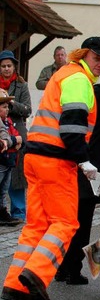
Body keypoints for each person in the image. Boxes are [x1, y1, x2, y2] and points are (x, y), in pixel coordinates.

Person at [0, 37, 100, 300]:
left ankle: (15, 284)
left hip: (35, 157)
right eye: (97, 58)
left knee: (36, 225)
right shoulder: (78, 79)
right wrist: (83, 160)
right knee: (66, 223)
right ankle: (36, 274)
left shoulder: (64, 74)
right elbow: (72, 124)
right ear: (83, 56)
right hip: (56, 159)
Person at [55, 65, 100, 285]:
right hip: (89, 173)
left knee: (70, 222)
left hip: (72, 169)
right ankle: (72, 270)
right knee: (81, 223)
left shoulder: (86, 107)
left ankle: (62, 268)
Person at [0, 50, 31, 222]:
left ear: (14, 67)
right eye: (3, 66)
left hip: (17, 132)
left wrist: (10, 104)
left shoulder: (21, 85)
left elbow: (28, 109)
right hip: (0, 132)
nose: (6, 69)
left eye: (9, 66)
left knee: (17, 175)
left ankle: (18, 212)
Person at [0, 89, 22, 226]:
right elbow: (11, 139)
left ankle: (2, 213)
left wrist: (11, 141)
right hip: (2, 160)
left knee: (3, 190)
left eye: (8, 107)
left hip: (8, 160)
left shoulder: (7, 121)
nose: (7, 110)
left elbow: (19, 138)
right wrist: (13, 141)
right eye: (4, 107)